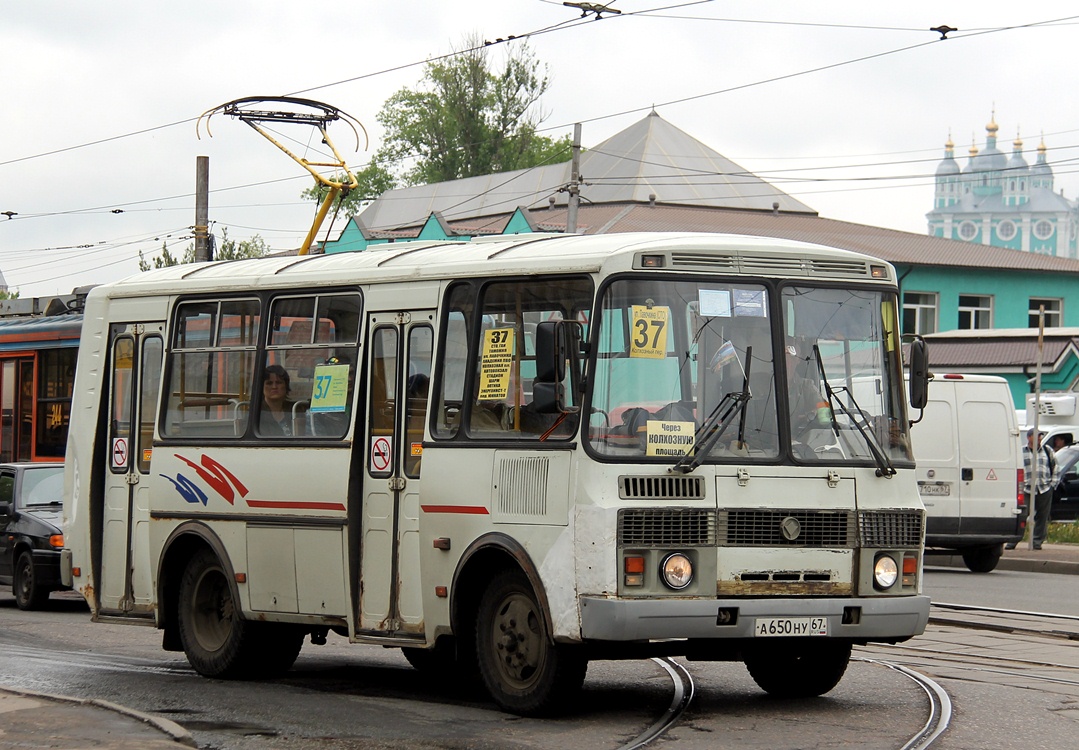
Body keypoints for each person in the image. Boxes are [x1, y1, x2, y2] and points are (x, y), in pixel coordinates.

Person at [1011, 428, 1059, 550]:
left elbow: (1056, 467)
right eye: (1036, 436)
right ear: (1029, 437)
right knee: (1022, 513)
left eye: (1040, 436)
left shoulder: (1047, 451)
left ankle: (1037, 542)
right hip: (1026, 488)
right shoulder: (1021, 451)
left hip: (1044, 488)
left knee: (1042, 516)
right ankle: (1013, 540)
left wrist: (1052, 484)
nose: (1039, 438)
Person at [260, 364, 297, 437]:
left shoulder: (296, 410)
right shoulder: (255, 413)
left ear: (286, 385)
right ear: (261, 387)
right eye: (269, 383)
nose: (274, 387)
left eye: (279, 382)